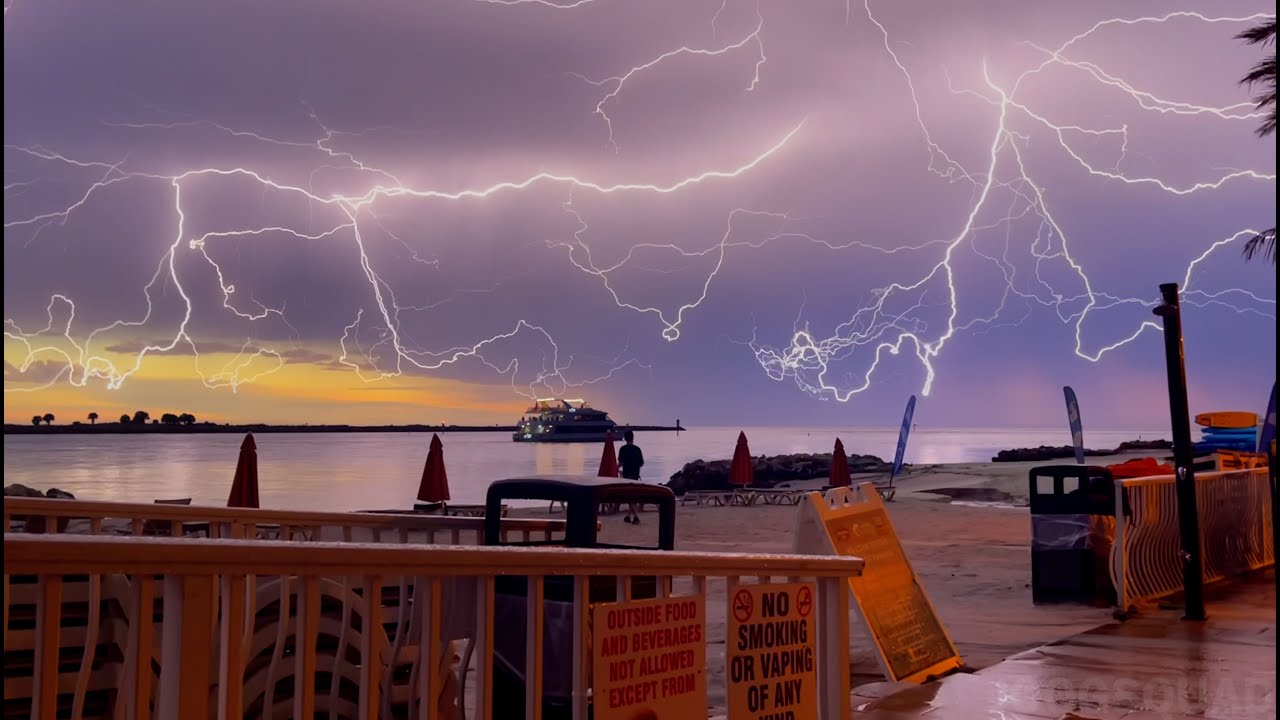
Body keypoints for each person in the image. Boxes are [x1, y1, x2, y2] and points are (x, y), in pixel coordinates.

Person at [618, 430, 644, 524]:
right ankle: (628, 516)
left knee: (630, 496)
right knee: (632, 496)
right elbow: (641, 463)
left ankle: (636, 517)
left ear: (625, 438)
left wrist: (615, 468)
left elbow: (621, 463)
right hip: (635, 475)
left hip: (627, 476)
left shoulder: (623, 449)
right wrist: (635, 467)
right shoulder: (637, 449)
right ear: (632, 438)